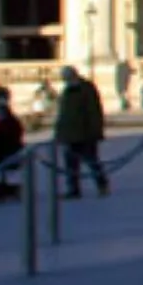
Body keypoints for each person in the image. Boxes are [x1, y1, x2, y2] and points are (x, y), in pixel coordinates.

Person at [53, 64, 111, 197]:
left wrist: (95, 131)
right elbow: (64, 114)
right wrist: (59, 132)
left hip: (85, 133)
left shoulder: (86, 89)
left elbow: (94, 111)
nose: (65, 80)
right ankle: (73, 188)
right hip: (70, 134)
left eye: (67, 77)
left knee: (92, 161)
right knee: (71, 164)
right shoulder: (67, 90)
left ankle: (102, 184)